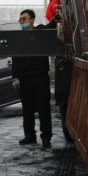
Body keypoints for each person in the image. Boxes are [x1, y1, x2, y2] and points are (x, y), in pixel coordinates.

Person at [12, 9, 53, 148]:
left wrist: (57, 18)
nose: (21, 22)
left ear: (32, 20)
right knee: (27, 109)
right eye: (20, 20)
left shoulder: (40, 31)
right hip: (24, 78)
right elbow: (15, 58)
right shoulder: (18, 38)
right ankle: (29, 136)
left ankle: (46, 137)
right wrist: (15, 77)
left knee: (43, 108)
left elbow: (50, 27)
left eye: (24, 19)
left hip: (40, 76)